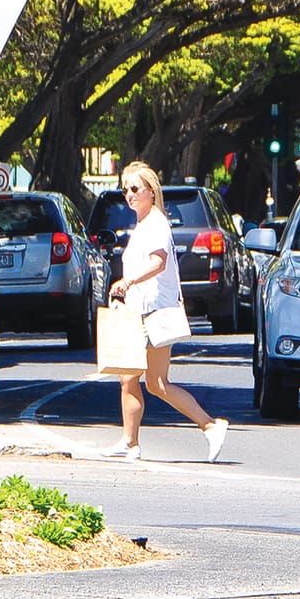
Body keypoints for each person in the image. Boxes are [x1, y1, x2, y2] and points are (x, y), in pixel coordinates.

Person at [104, 161, 229, 463]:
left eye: (135, 188)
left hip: (153, 312)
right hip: (140, 310)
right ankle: (131, 441)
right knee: (139, 380)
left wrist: (128, 281)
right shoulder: (145, 224)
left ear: (151, 191)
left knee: (146, 381)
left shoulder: (156, 223)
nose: (129, 195)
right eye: (125, 189)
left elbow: (158, 262)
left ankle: (209, 425)